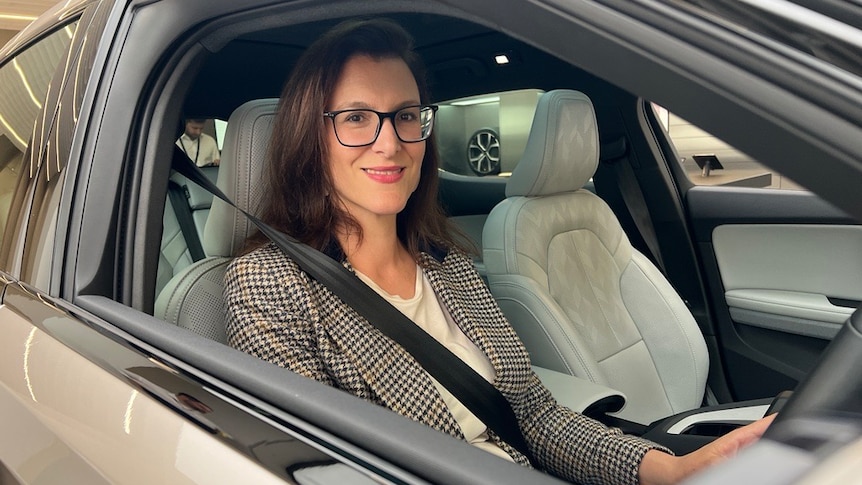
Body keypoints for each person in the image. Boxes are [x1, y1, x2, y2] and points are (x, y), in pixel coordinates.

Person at [224, 18, 773, 485]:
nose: (389, 142)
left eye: (407, 115)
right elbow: (334, 469)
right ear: (309, 138)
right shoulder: (269, 283)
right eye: (356, 118)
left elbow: (534, 416)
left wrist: (674, 469)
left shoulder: (448, 265)